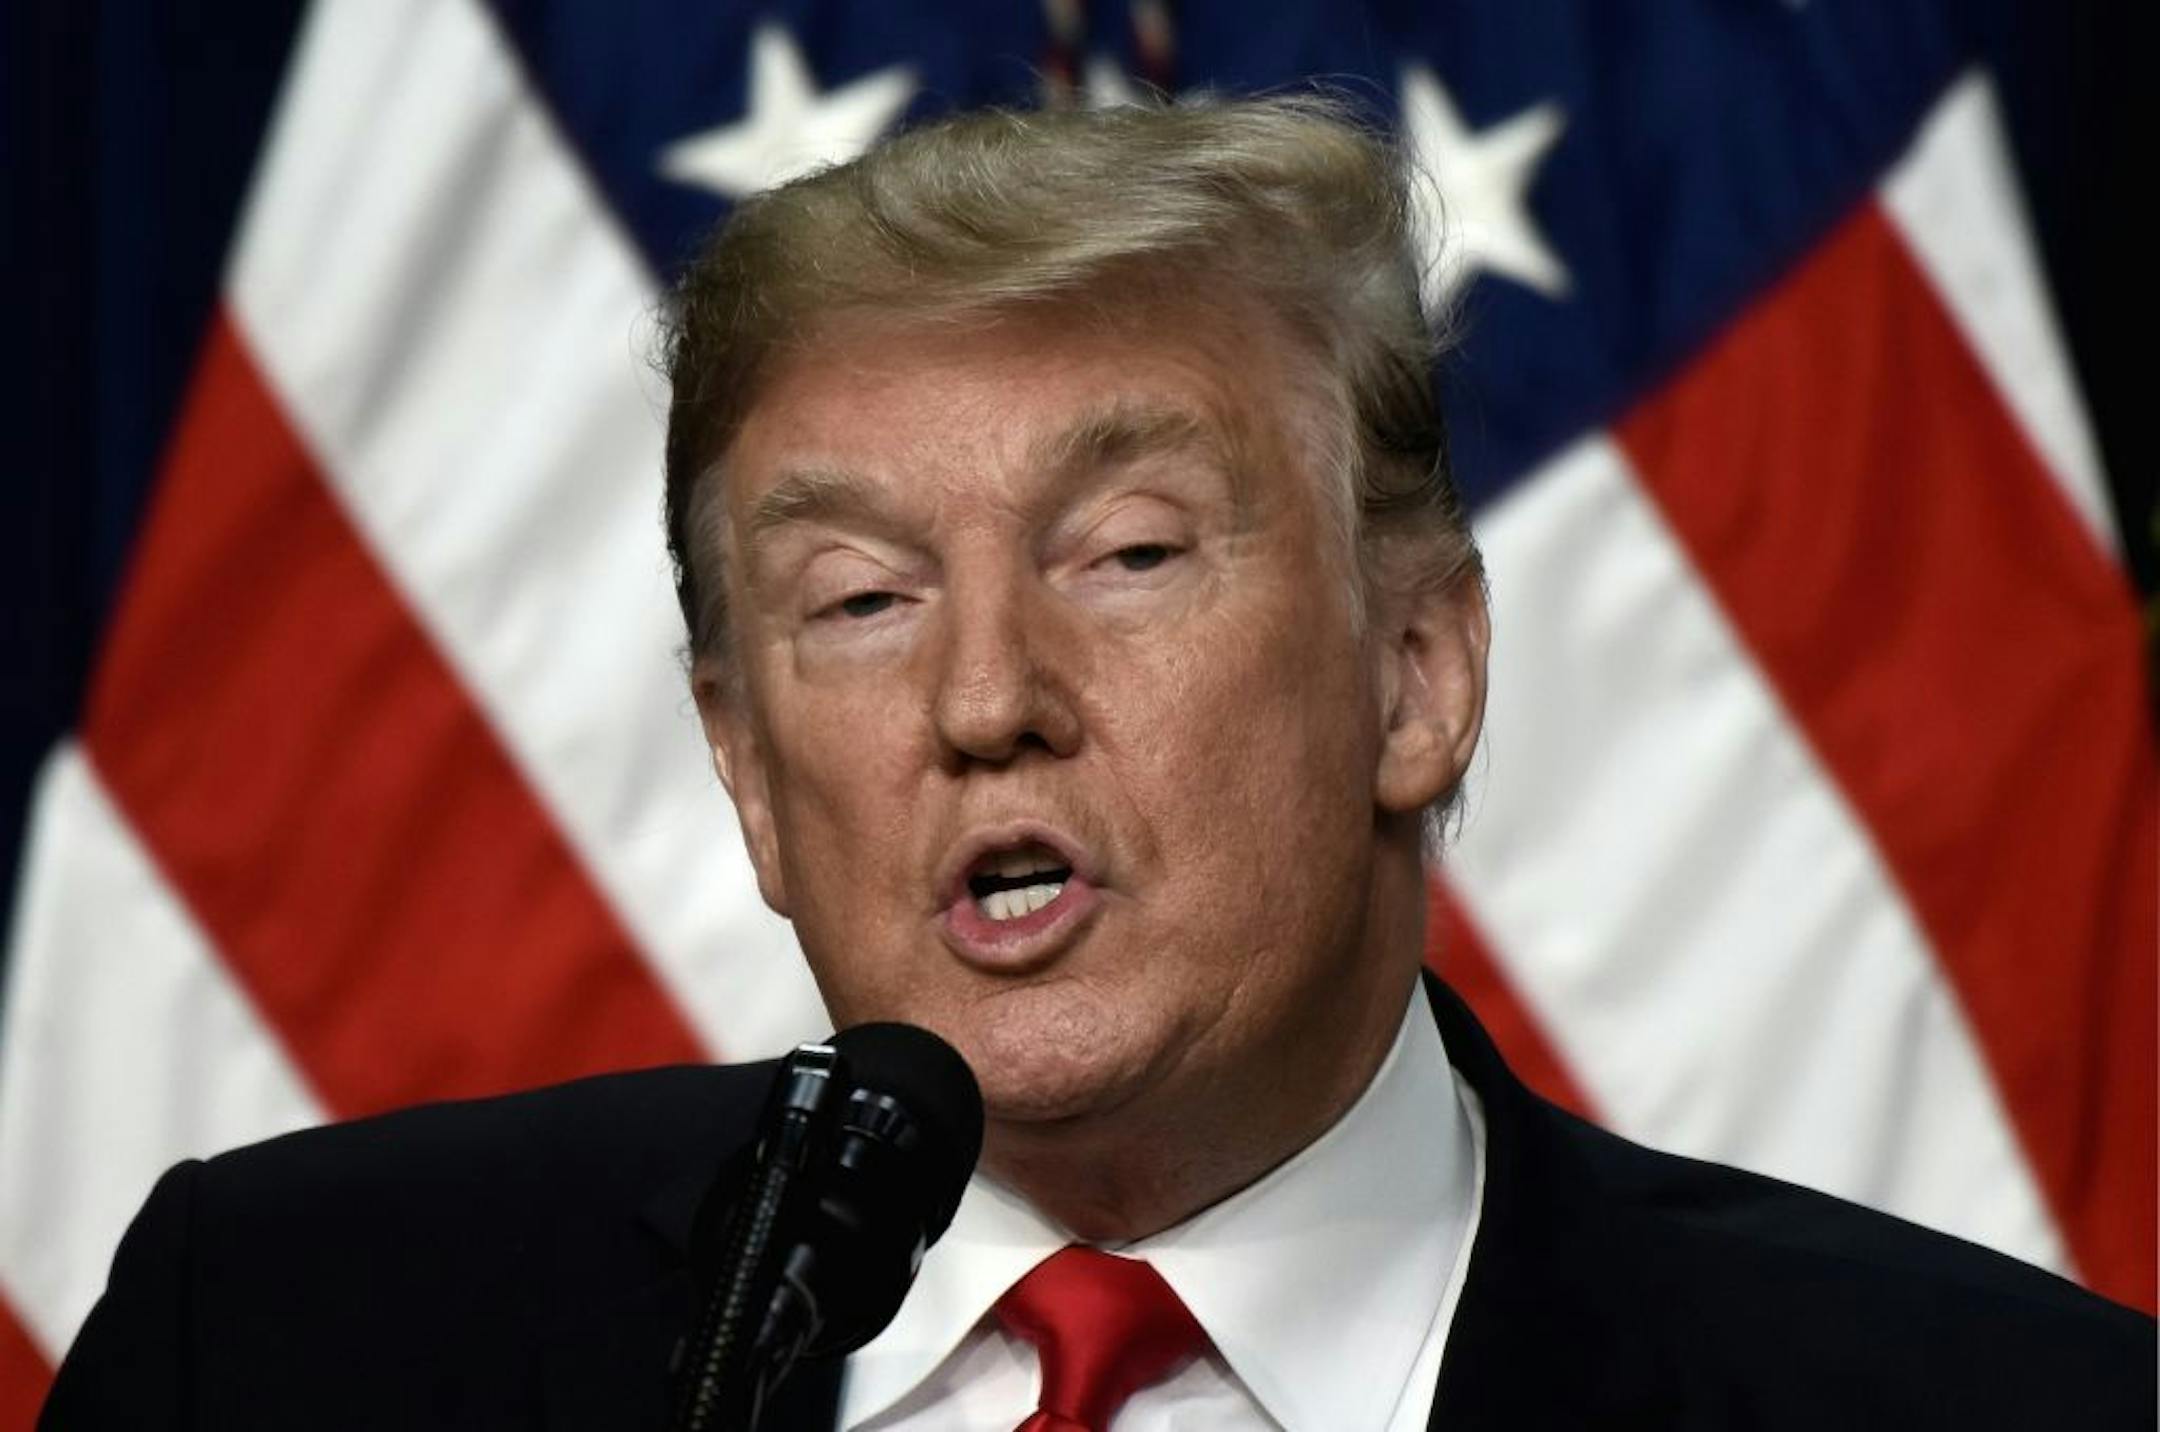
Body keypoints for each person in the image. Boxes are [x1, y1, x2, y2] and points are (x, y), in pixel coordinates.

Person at [40, 96, 2152, 1430]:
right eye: (861, 598)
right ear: (753, 775)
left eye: (1128, 553)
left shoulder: (1995, 1402)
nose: (986, 697)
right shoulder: (292, 1341)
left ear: (1417, 670)